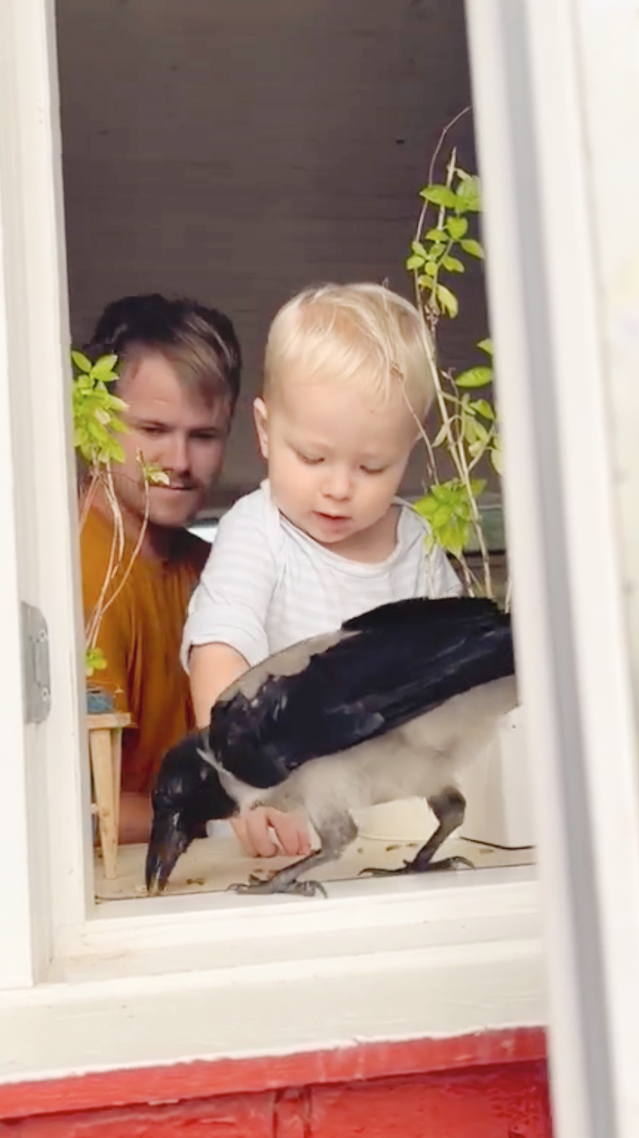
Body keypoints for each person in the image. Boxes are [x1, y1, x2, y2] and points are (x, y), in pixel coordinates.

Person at [182, 282, 461, 857]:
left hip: (396, 826)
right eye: (312, 458)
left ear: (410, 450)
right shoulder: (258, 531)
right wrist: (245, 792)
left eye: (372, 465)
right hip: (276, 825)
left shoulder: (417, 543)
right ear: (263, 431)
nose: (338, 488)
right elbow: (219, 650)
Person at [80, 293, 242, 844]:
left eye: (203, 436)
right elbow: (74, 812)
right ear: (96, 423)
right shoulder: (70, 569)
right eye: (152, 430)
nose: (178, 461)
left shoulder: (219, 570)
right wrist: (230, 821)